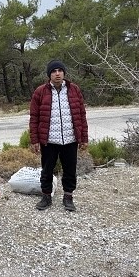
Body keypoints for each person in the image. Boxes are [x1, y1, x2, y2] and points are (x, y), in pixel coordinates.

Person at [29, 60, 89, 212]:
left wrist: (84, 138)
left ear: (64, 73)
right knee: (47, 170)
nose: (57, 73)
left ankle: (68, 197)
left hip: (70, 139)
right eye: (54, 71)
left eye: (60, 70)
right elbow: (34, 117)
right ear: (49, 74)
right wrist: (35, 140)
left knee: (70, 170)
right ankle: (46, 196)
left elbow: (81, 115)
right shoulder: (40, 91)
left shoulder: (74, 89)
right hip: (49, 140)